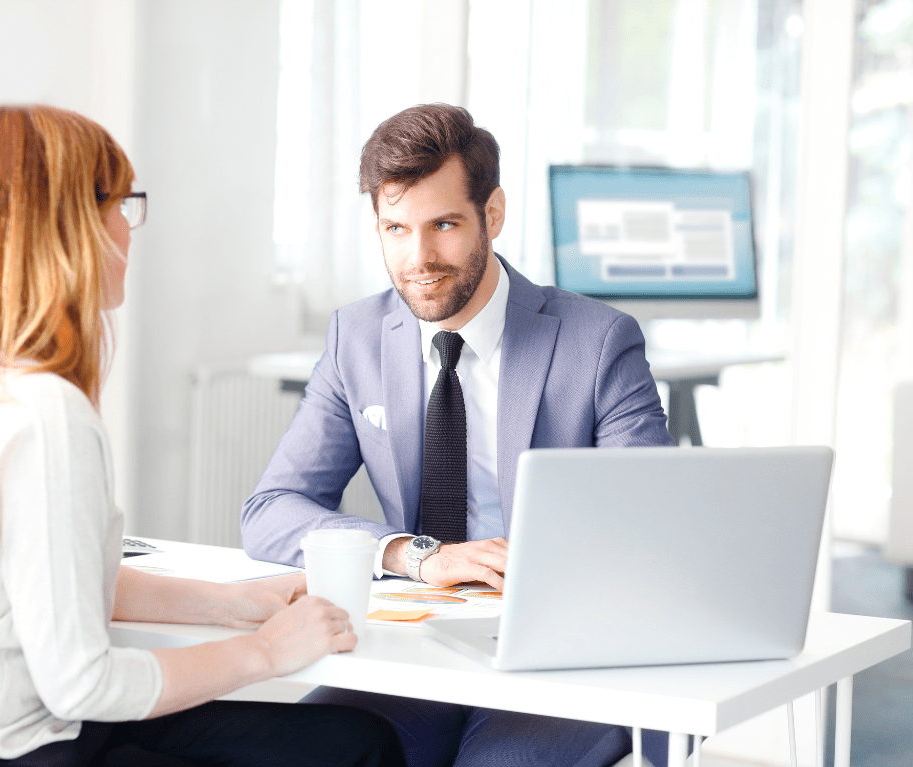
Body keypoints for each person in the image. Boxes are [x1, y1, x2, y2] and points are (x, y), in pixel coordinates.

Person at [0, 105, 405, 767]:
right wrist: (269, 651)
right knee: (359, 747)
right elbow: (83, 680)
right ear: (69, 225)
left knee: (349, 740)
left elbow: (56, 577)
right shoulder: (44, 413)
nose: (129, 231)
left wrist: (230, 603)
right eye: (121, 205)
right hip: (30, 746)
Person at [241, 104, 675, 767]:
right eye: (395, 228)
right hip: (419, 647)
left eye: (444, 225)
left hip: (558, 659)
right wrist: (414, 553)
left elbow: (649, 528)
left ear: (492, 215)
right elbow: (272, 511)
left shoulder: (597, 342)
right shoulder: (354, 339)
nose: (419, 259)